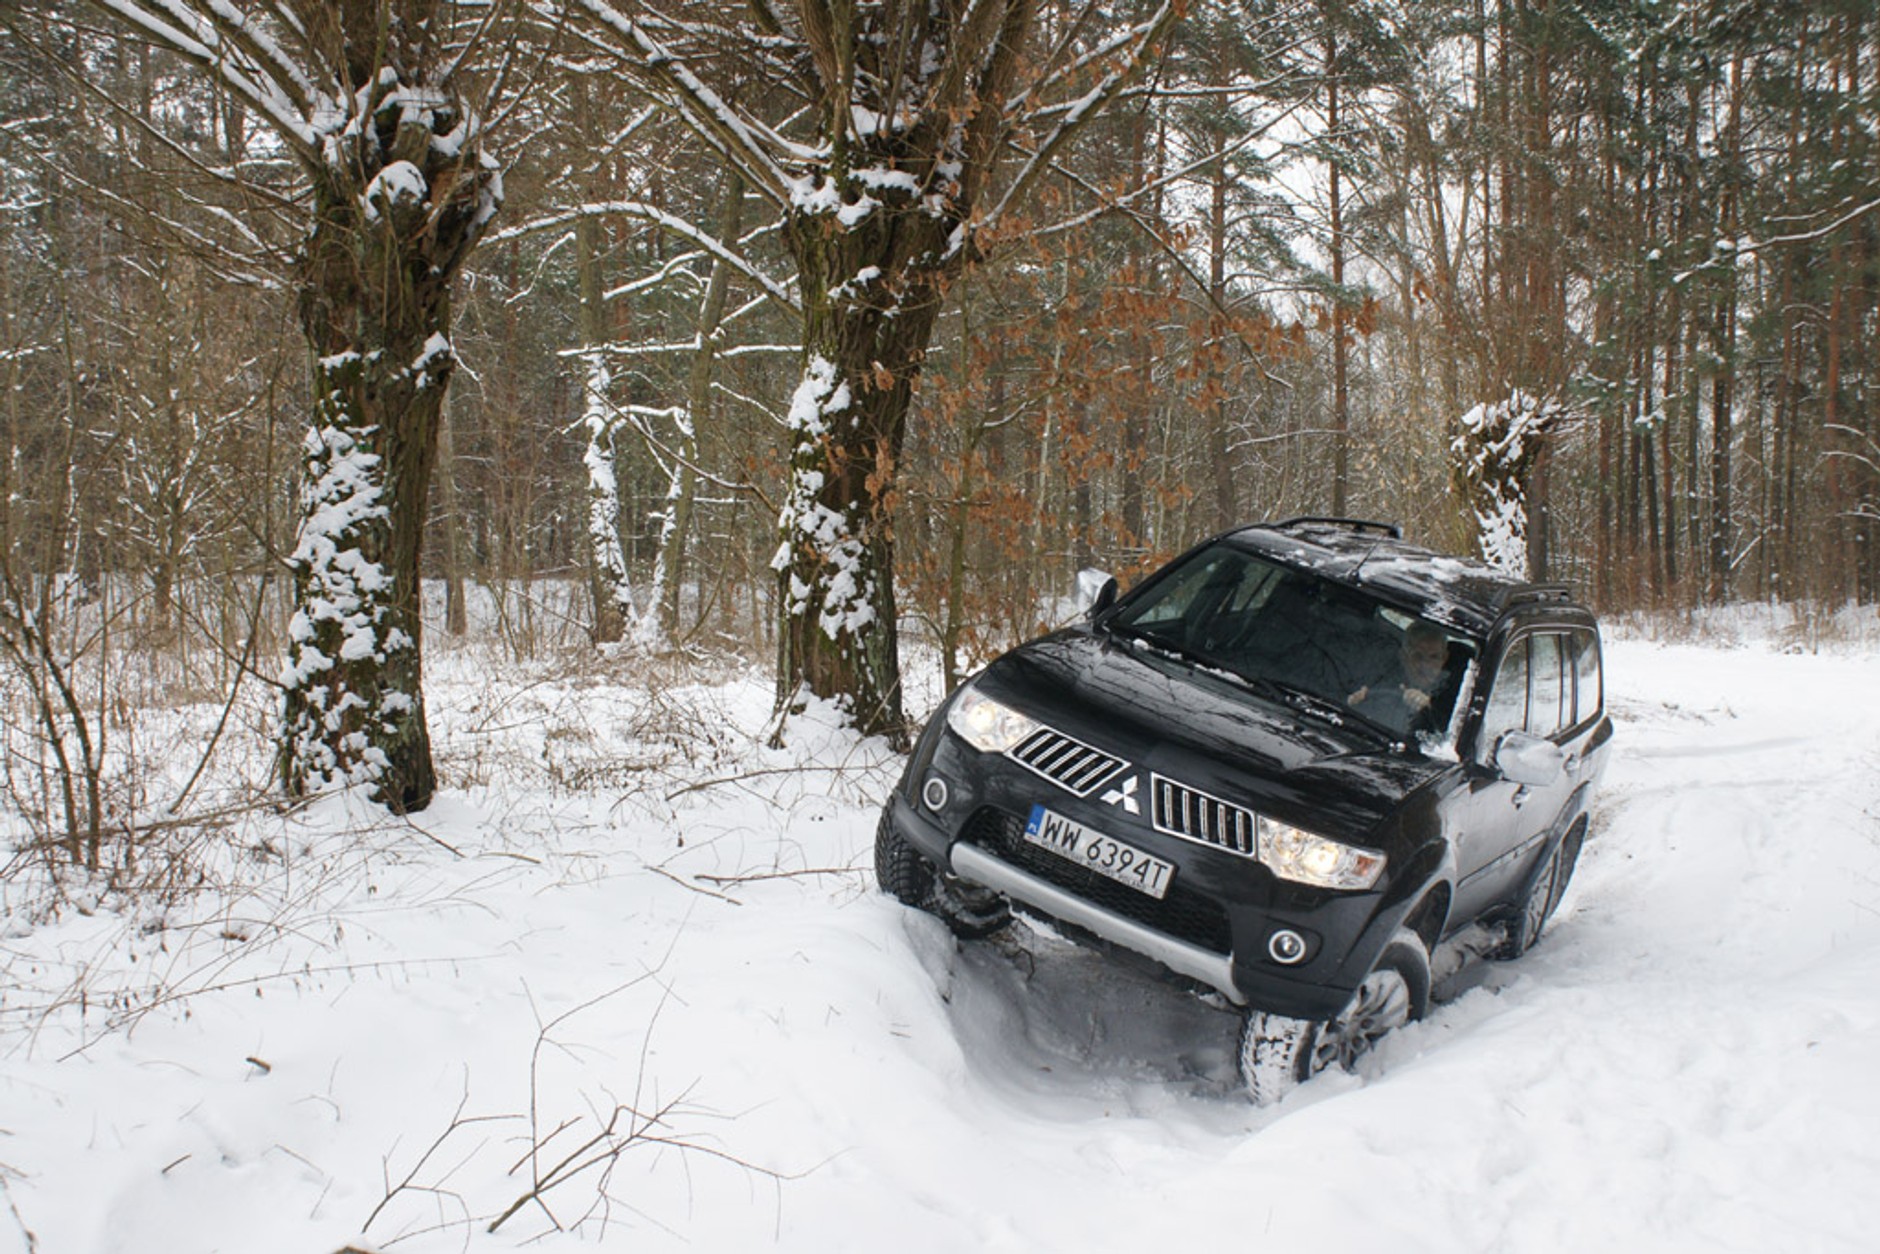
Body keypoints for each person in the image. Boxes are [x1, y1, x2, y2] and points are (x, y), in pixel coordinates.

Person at [1348, 621, 1455, 735]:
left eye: (1434, 657)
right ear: (1404, 657)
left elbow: (1448, 742)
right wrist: (1355, 702)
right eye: (1417, 656)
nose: (1425, 664)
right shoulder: (1380, 680)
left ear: (1444, 658)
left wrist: (1428, 709)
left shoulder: (1457, 698)